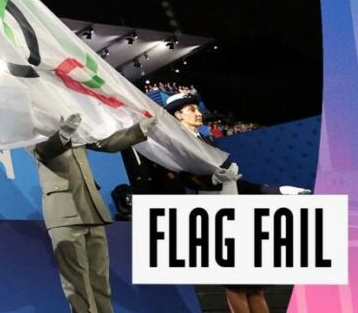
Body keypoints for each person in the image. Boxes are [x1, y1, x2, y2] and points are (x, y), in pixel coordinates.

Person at [164, 92, 309, 313]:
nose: (198, 112)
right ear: (178, 115)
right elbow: (179, 178)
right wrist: (209, 181)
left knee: (255, 287)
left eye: (197, 108)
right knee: (236, 286)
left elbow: (236, 183)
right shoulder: (176, 145)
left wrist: (277, 190)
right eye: (191, 109)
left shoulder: (205, 142)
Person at [30, 112, 156, 313]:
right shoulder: (32, 126)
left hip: (91, 208)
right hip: (64, 212)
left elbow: (105, 143)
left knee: (100, 279)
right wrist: (64, 133)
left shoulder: (76, 127)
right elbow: (43, 152)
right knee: (77, 284)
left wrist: (138, 130)